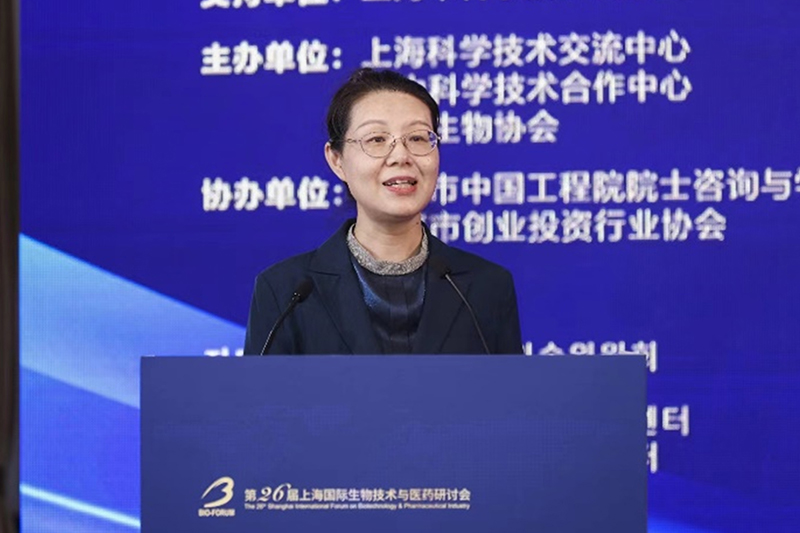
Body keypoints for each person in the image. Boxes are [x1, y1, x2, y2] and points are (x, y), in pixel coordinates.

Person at [244, 68, 522, 355]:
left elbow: (510, 386)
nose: (401, 156)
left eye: (417, 138)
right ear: (336, 160)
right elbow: (262, 386)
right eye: (376, 139)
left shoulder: (486, 288)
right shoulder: (287, 292)